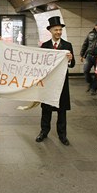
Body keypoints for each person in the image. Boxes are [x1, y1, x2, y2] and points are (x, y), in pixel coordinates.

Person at [36, 16, 75, 146]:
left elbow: (72, 64)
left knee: (61, 110)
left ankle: (62, 135)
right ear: (51, 31)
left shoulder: (67, 45)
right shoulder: (45, 46)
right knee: (46, 109)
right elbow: (40, 65)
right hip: (48, 84)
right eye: (56, 30)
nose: (58, 32)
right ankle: (44, 132)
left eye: (60, 30)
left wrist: (70, 59)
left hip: (62, 84)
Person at [80, 20, 97, 95]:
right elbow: (85, 44)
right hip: (89, 55)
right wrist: (82, 55)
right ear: (94, 26)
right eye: (96, 25)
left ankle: (93, 88)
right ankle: (91, 82)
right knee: (85, 71)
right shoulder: (90, 34)